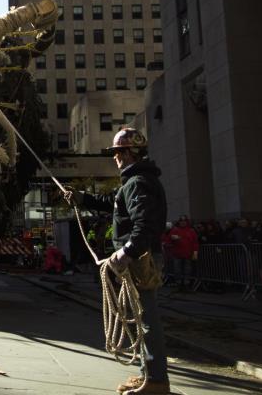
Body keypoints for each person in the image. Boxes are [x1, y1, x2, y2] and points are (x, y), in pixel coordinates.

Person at [65, 128, 170, 395]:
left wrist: (126, 253)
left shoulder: (137, 183)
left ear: (127, 153)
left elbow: (144, 225)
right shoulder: (134, 182)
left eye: (117, 153)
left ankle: (156, 381)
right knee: (138, 316)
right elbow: (114, 203)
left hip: (139, 259)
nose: (115, 158)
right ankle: (148, 375)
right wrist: (83, 198)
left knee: (146, 320)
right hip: (138, 257)